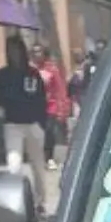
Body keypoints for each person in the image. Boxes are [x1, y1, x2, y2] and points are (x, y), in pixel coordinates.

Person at [0, 35, 49, 217]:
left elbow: (40, 99)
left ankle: (40, 202)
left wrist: (41, 124)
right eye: (10, 50)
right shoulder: (3, 75)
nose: (14, 53)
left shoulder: (32, 73)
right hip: (13, 125)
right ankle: (17, 202)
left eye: (16, 49)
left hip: (32, 124)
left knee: (38, 166)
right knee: (14, 164)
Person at [34, 43, 70, 172]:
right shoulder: (32, 69)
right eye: (35, 52)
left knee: (49, 131)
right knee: (38, 133)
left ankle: (49, 157)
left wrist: (63, 108)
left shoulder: (52, 70)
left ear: (44, 53)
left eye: (39, 51)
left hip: (51, 106)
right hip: (36, 106)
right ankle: (40, 157)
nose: (37, 54)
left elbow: (60, 89)